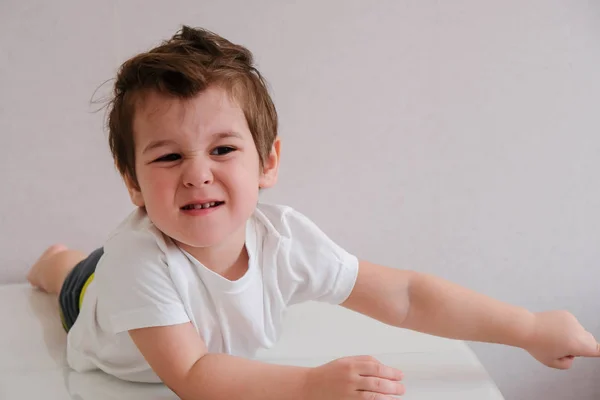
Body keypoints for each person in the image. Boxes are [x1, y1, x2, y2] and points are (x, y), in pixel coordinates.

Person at [27, 25, 599, 400]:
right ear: (132, 183)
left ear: (267, 162)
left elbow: (404, 296)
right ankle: (58, 265)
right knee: (74, 281)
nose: (198, 172)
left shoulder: (286, 239)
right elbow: (194, 374)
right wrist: (309, 385)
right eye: (170, 156)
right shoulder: (137, 261)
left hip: (135, 278)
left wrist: (528, 327)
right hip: (105, 304)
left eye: (223, 149)